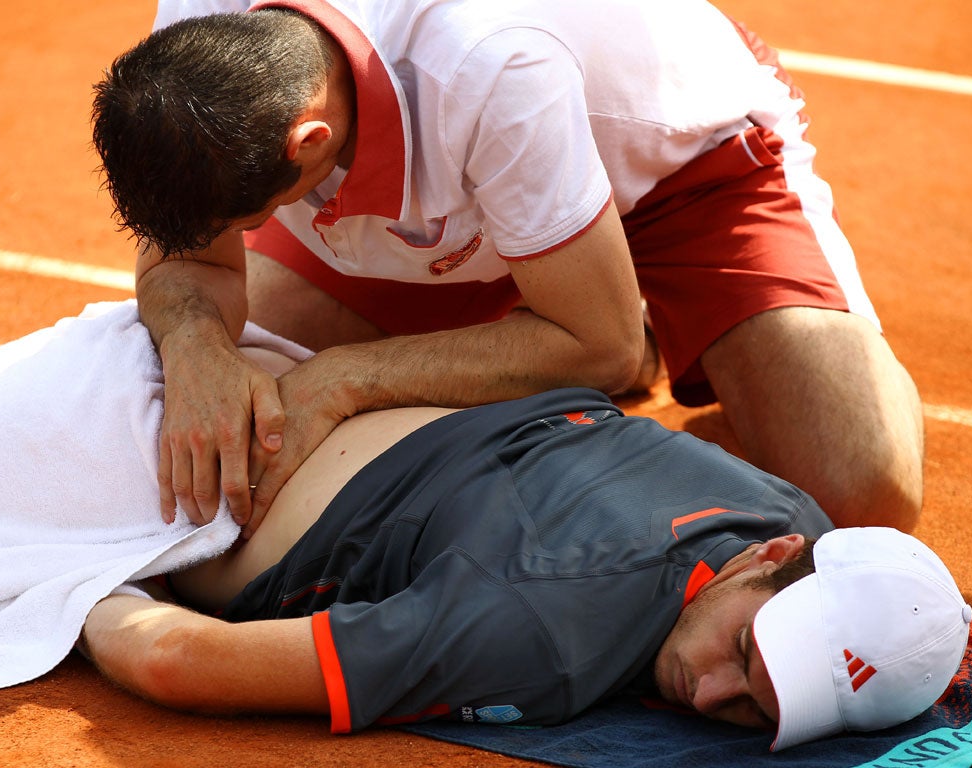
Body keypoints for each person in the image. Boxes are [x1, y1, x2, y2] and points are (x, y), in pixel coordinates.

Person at [0, 302, 968, 750]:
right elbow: (178, 661)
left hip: (206, 374)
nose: (707, 691)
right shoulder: (541, 638)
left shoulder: (799, 517)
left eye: (755, 709)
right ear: (772, 560)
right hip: (119, 476)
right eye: (744, 652)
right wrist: (86, 586)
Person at [89, 0, 924, 540]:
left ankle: (588, 289)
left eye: (251, 218)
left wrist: (349, 379)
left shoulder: (490, 62)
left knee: (859, 498)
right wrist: (194, 338)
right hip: (451, 199)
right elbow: (184, 255)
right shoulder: (200, 32)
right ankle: (581, 299)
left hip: (677, 169)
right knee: (225, 421)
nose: (240, 236)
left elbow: (584, 345)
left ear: (308, 145)